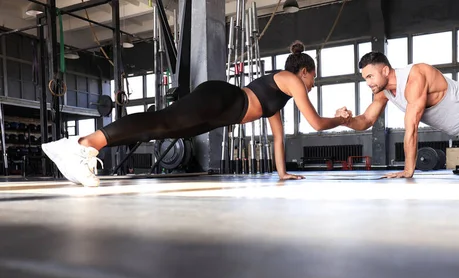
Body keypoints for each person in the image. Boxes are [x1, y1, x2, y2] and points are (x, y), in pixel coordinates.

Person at [43, 41, 351, 187]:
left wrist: (283, 173)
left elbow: (279, 138)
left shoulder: (279, 95)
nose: (313, 84)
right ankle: (83, 143)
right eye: (314, 78)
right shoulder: (290, 78)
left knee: (161, 130)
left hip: (219, 113)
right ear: (305, 71)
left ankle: (82, 146)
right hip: (221, 100)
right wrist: (341, 118)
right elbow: (316, 122)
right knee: (160, 121)